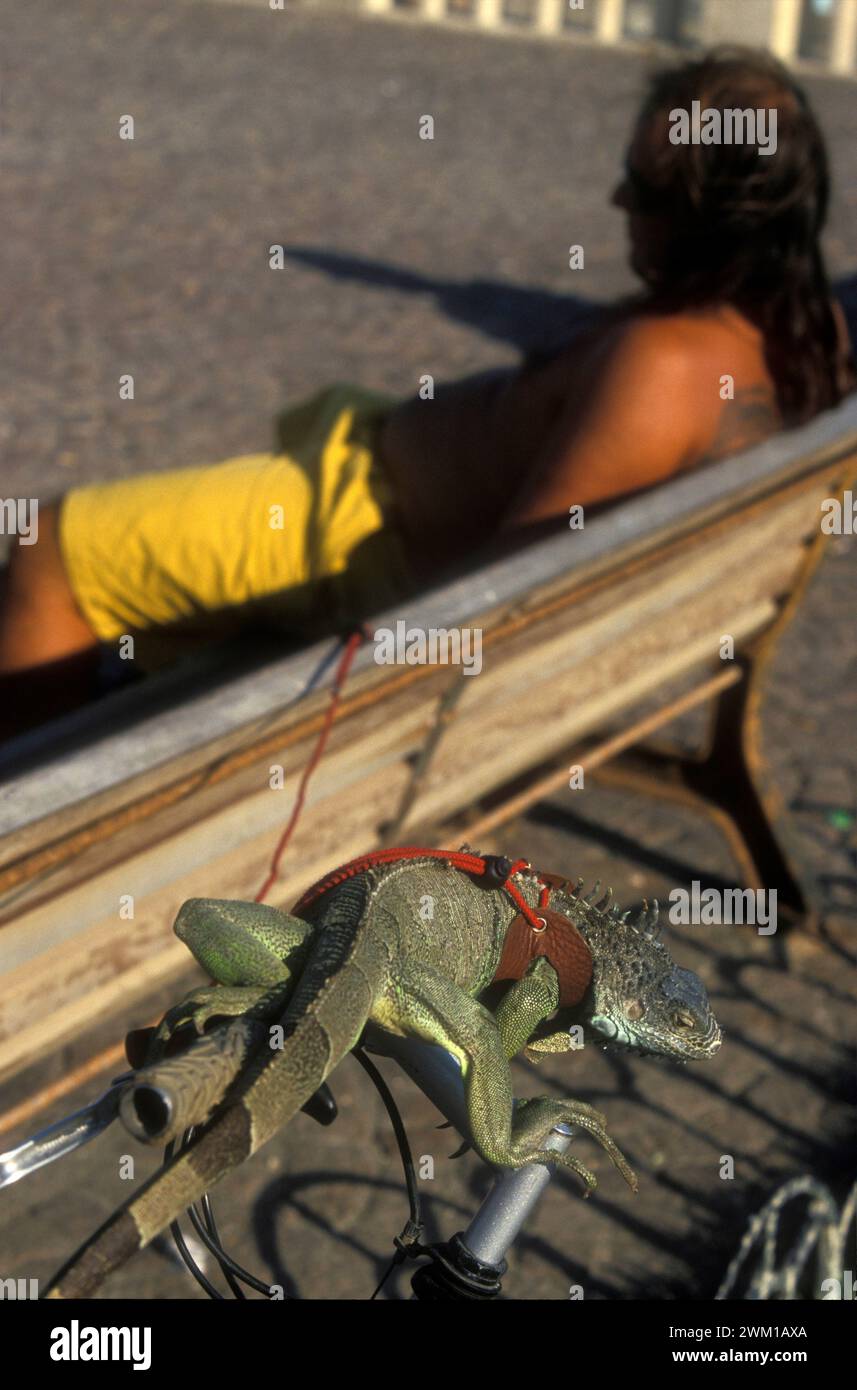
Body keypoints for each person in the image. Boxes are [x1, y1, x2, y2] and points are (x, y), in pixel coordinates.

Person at [1, 46, 853, 736]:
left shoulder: (661, 369)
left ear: (712, 219)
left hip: (349, 534)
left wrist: (334, 695)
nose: (616, 199)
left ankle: (25, 817)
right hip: (362, 496)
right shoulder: (800, 336)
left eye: (643, 187)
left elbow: (502, 593)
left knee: (49, 550)